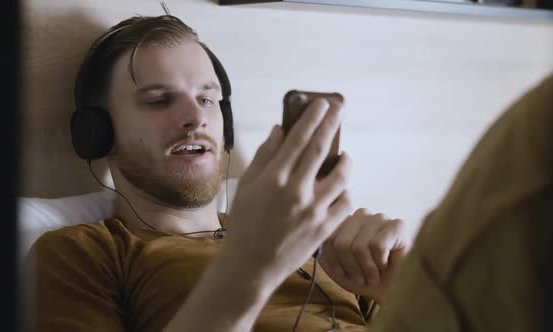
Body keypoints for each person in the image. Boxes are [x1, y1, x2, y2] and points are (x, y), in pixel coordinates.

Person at [25, 15, 410, 332]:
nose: (196, 118)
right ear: (98, 133)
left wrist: (403, 293)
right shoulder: (85, 253)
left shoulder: (315, 239)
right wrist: (253, 263)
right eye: (159, 101)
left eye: (207, 99)